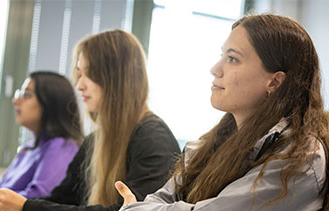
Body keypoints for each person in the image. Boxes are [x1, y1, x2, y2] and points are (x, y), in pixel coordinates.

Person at [116, 14, 329, 210]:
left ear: (274, 81)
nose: (215, 69)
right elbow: (161, 199)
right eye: (222, 56)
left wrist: (133, 208)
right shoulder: (212, 143)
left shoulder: (300, 156)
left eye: (233, 59)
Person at [0, 29, 181, 211]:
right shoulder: (95, 140)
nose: (79, 85)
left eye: (88, 74)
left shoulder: (152, 138)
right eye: (79, 74)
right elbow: (63, 199)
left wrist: (26, 207)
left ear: (115, 77)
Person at [0, 71, 83, 198]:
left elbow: (38, 199)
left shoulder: (62, 147)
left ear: (50, 103)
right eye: (19, 94)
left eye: (26, 95)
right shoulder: (29, 148)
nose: (15, 100)